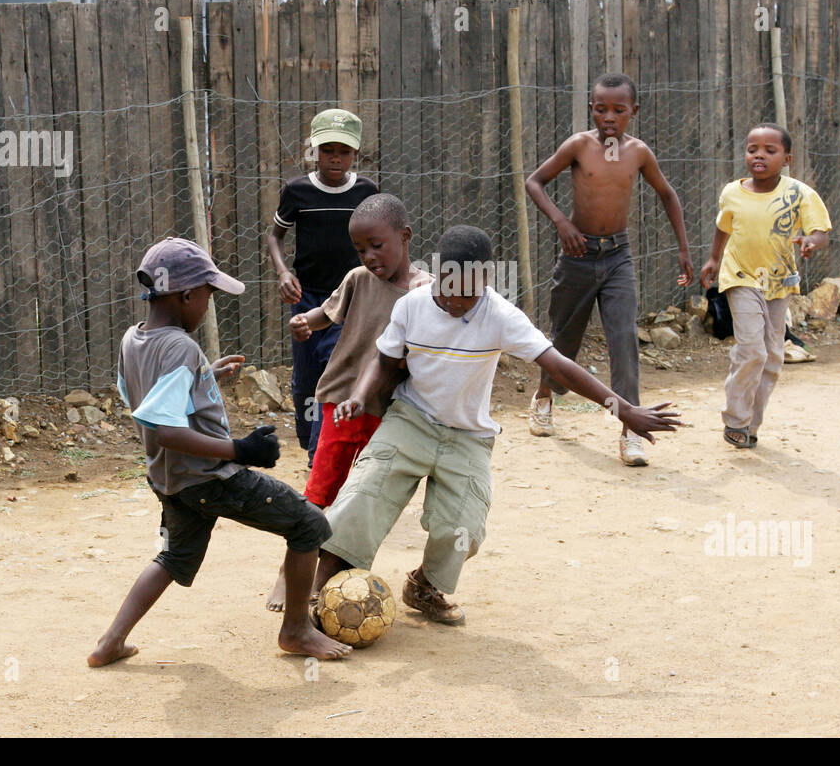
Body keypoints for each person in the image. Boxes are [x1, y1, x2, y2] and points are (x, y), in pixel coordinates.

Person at [311, 225, 682, 625]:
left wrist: (623, 409)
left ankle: (424, 585)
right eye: (449, 289)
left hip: (468, 435)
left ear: (486, 280)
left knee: (463, 528)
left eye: (469, 293)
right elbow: (382, 362)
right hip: (412, 420)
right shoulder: (411, 306)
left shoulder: (501, 316)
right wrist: (360, 397)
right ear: (437, 272)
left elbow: (560, 366)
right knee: (362, 495)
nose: (456, 301)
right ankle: (317, 592)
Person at [88, 237, 351, 666]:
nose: (209, 305)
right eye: (208, 295)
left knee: (175, 556)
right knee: (308, 525)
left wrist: (204, 377)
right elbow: (167, 429)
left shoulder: (133, 340)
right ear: (187, 294)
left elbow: (147, 401)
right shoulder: (180, 347)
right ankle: (297, 629)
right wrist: (240, 449)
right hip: (212, 477)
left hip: (170, 481)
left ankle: (110, 642)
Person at [264, 193, 432, 611]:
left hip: (392, 408)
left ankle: (338, 567)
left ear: (405, 236)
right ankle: (290, 572)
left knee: (366, 493)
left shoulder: (424, 292)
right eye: (361, 249)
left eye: (377, 245)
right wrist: (305, 322)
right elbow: (327, 311)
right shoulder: (358, 278)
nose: (370, 256)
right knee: (322, 488)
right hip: (341, 397)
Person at [524, 73, 694, 466]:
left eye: (619, 110)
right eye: (601, 109)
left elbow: (667, 194)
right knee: (564, 340)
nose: (609, 118)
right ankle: (545, 398)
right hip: (578, 255)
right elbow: (535, 182)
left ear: (633, 112)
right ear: (591, 109)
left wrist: (683, 249)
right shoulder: (579, 146)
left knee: (623, 340)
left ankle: (631, 429)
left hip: (618, 256)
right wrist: (562, 224)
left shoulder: (639, 152)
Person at [698, 123, 831, 449]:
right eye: (752, 149)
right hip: (741, 277)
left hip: (779, 282)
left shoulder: (799, 194)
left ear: (786, 158)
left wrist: (811, 243)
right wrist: (714, 260)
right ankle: (736, 420)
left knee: (772, 356)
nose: (759, 155)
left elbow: (821, 232)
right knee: (752, 350)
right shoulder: (732, 192)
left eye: (769, 151)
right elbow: (722, 227)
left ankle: (750, 425)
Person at [266, 108, 378, 464]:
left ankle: (320, 456)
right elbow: (274, 236)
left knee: (335, 374)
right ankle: (309, 438)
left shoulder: (366, 191)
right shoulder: (298, 191)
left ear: (356, 155)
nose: (335, 158)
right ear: (313, 151)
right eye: (327, 149)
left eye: (344, 151)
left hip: (348, 302)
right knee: (306, 379)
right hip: (306, 298)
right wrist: (284, 272)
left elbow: (379, 238)